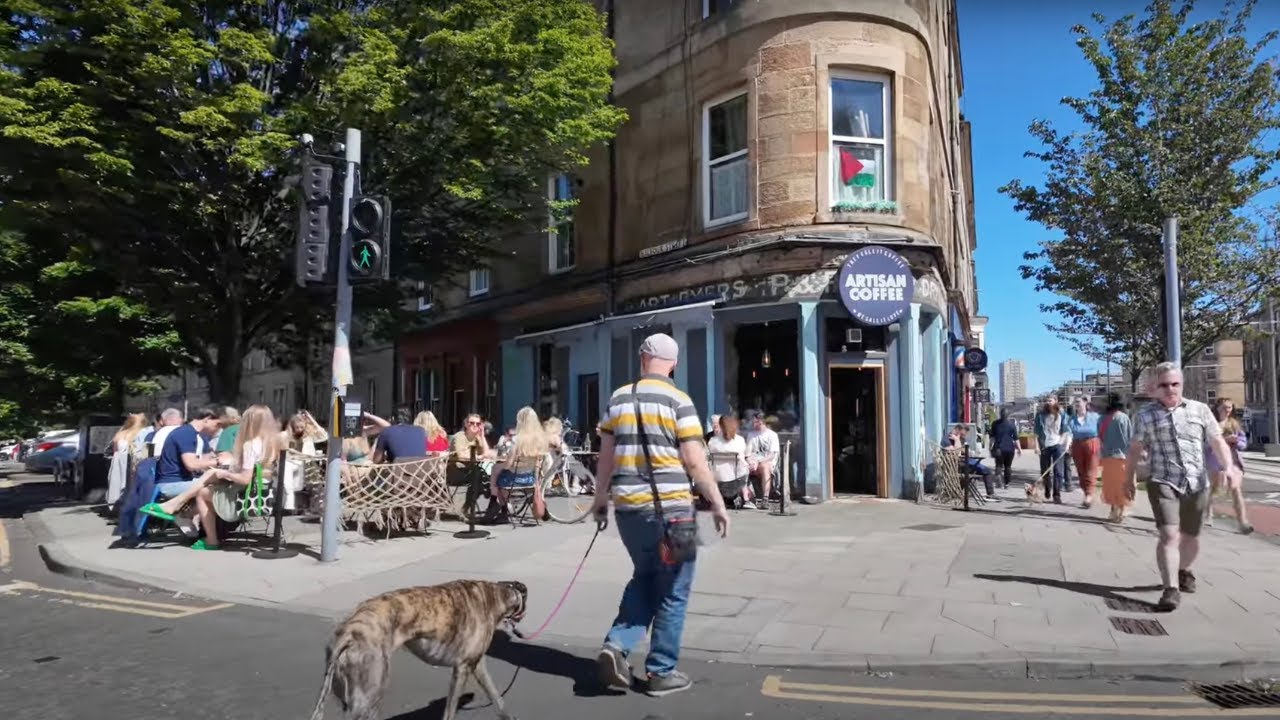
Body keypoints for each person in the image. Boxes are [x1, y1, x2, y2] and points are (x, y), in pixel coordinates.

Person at [591, 333, 729, 698]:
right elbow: (693, 460)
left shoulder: (617, 398)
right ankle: (660, 672)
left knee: (645, 576)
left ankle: (617, 646)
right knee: (674, 588)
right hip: (675, 515)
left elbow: (605, 457)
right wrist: (717, 503)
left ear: (642, 359)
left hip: (631, 512)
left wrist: (600, 499)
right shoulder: (679, 400)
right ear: (675, 364)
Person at [1126, 362, 1240, 611]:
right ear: (1155, 387)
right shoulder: (1145, 415)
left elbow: (1217, 441)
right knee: (1169, 535)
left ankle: (1184, 569)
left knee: (1192, 536)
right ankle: (1170, 589)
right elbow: (1136, 448)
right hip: (1162, 480)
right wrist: (1129, 479)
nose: (1170, 389)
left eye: (1175, 384)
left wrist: (1228, 467)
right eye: (1164, 385)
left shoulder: (1200, 410)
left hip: (1197, 482)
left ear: (1182, 385)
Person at [141, 405, 282, 550]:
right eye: (217, 424)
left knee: (204, 491)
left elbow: (192, 465)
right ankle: (180, 512)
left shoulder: (250, 444)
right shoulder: (274, 443)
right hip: (264, 492)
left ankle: (209, 537)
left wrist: (224, 471)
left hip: (246, 496)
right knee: (211, 477)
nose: (218, 427)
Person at [1205, 397, 1251, 534]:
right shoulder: (1211, 424)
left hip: (1233, 461)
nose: (1227, 410)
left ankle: (1242, 522)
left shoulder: (1234, 424)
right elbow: (1205, 443)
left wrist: (1237, 442)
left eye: (1229, 407)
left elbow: (1243, 443)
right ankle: (1207, 514)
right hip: (1215, 460)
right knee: (1213, 489)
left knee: (1236, 489)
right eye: (1224, 407)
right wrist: (1224, 440)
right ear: (1217, 408)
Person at [1099, 394, 1134, 523]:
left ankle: (1113, 509)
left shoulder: (1102, 419)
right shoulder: (1123, 418)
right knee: (1122, 485)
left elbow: (1100, 437)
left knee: (1111, 485)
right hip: (1121, 457)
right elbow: (1129, 437)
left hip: (1107, 457)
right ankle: (1121, 510)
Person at [1033, 396, 1070, 503]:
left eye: (1050, 400)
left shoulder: (1062, 414)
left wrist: (1062, 443)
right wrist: (1036, 447)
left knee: (1058, 471)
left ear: (1055, 402)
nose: (1048, 402)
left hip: (1057, 445)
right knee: (1045, 470)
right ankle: (1048, 488)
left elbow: (1066, 429)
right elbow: (1036, 432)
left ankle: (1057, 494)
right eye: (1047, 400)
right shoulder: (1040, 415)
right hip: (1044, 445)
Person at [1068, 397, 1102, 508]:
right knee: (1081, 471)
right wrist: (1067, 444)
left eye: (1079, 402)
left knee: (1091, 470)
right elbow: (1068, 433)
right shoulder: (1072, 419)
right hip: (1077, 445)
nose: (1077, 404)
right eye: (1075, 402)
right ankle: (1087, 492)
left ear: (1085, 403)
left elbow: (1103, 430)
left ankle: (1089, 495)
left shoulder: (1095, 417)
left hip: (1092, 443)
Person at [745, 411, 781, 509]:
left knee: (765, 467)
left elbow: (772, 455)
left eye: (755, 422)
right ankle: (747, 498)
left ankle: (765, 498)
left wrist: (758, 462)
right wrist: (750, 462)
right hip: (754, 463)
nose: (753, 424)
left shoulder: (772, 435)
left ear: (761, 422)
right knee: (742, 467)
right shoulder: (751, 435)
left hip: (767, 463)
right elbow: (747, 453)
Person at [988, 408, 1021, 489]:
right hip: (1010, 448)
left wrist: (990, 447)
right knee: (1008, 466)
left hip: (998, 448)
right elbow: (1016, 438)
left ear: (1000, 414)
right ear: (1008, 415)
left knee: (998, 465)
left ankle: (998, 478)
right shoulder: (1012, 425)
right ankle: (1007, 484)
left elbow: (992, 438)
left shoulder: (995, 424)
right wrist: (1019, 449)